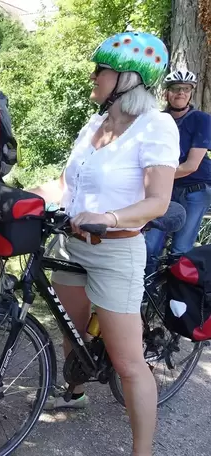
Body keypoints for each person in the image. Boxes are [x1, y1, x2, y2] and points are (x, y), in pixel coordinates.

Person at [28, 32, 179, 456]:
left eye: (101, 70)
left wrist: (109, 217)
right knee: (72, 333)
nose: (93, 77)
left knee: (129, 362)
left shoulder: (156, 125)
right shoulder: (95, 124)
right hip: (73, 244)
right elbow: (66, 183)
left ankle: (141, 450)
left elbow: (157, 200)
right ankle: (74, 391)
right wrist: (24, 195)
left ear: (129, 78)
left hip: (117, 249)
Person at [145, 69, 211, 273]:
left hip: (195, 188)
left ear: (191, 93)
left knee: (180, 249)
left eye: (186, 89)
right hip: (166, 189)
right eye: (175, 88)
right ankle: (146, 295)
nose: (180, 93)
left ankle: (175, 298)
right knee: (150, 246)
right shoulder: (156, 120)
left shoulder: (201, 119)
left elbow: (191, 165)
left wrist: (152, 178)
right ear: (166, 93)